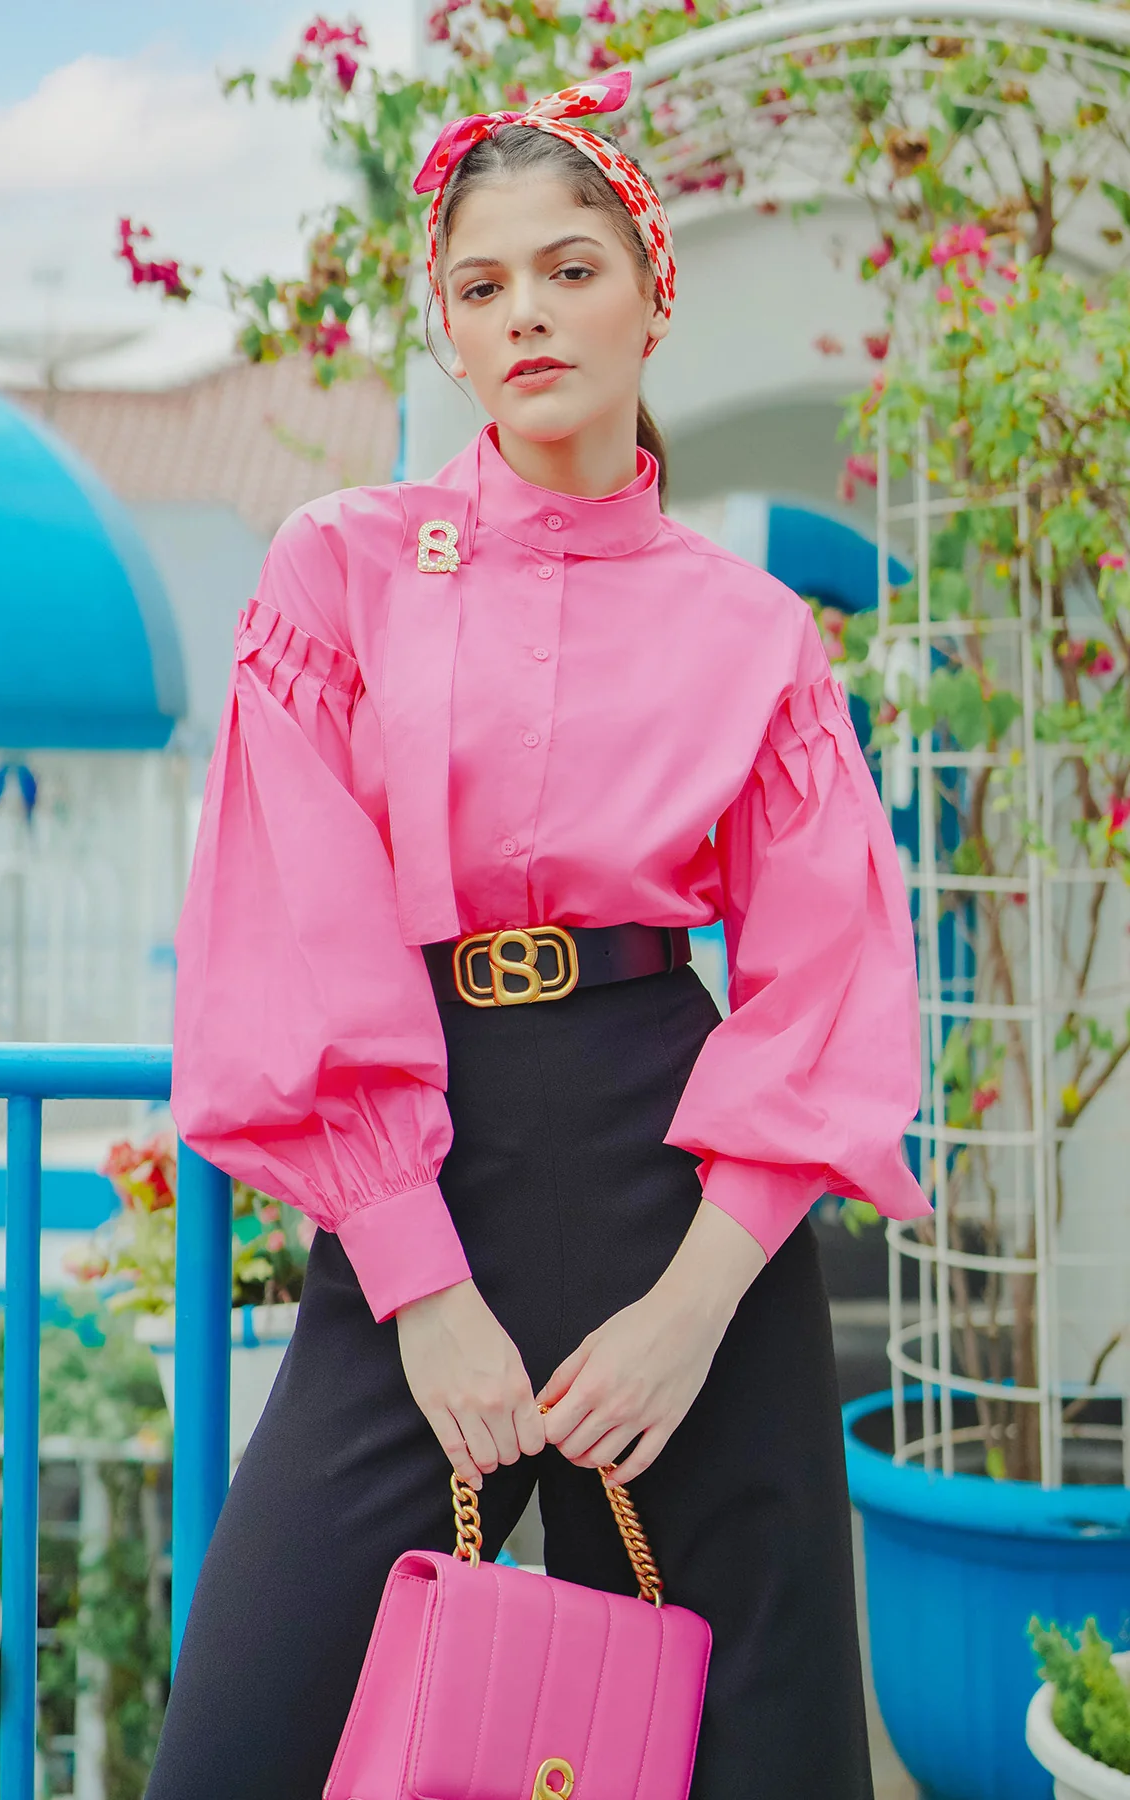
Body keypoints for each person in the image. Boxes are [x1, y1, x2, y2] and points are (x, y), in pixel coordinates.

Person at [146, 71, 930, 1800]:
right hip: (420, 1171)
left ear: (653, 296)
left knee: (761, 1751)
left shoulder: (756, 633)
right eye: (482, 284)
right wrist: (421, 1289)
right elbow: (291, 920)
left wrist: (693, 1311)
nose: (527, 314)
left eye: (571, 270)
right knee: (243, 1738)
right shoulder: (340, 569)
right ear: (446, 324)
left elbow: (827, 978)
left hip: (685, 1197)